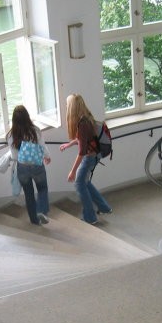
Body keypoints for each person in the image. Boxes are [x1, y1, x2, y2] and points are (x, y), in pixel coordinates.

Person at [59, 94, 112, 225]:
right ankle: (104, 208)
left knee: (79, 183)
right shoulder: (86, 118)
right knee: (85, 182)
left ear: (72, 107)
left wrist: (72, 171)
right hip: (93, 156)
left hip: (89, 158)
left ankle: (90, 217)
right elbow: (84, 139)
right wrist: (70, 144)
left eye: (67, 105)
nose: (66, 107)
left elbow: (82, 152)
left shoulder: (82, 124)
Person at [7, 105, 51, 225]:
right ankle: (41, 210)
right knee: (42, 188)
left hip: (22, 167)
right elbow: (42, 147)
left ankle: (34, 220)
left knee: (29, 193)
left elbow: (14, 156)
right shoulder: (35, 130)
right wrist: (47, 156)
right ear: (27, 116)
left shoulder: (11, 135)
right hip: (37, 165)